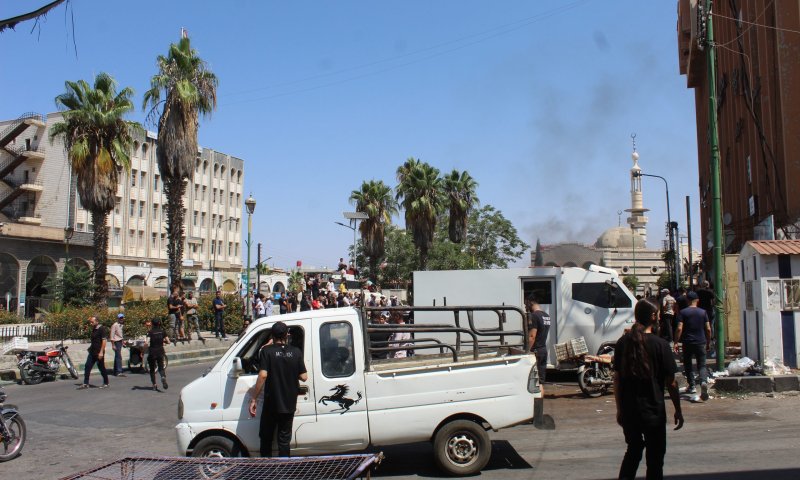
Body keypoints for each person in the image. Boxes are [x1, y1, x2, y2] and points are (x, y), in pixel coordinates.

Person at [614, 299, 683, 480]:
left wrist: (620, 409)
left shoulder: (623, 343)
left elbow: (617, 380)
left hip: (630, 411)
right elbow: (672, 382)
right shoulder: (660, 345)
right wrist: (678, 409)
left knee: (633, 451)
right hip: (653, 411)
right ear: (653, 317)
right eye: (658, 314)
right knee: (655, 461)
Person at [249, 321, 308, 457]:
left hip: (271, 403)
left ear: (272, 335)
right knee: (284, 441)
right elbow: (304, 377)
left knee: (266, 439)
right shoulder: (296, 351)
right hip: (289, 404)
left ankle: (267, 470)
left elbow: (263, 375)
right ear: (287, 335)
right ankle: (284, 471)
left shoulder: (266, 351)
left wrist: (254, 399)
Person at [675, 291, 712, 400]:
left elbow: (679, 328)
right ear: (698, 301)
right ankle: (703, 382)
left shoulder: (683, 312)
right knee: (702, 364)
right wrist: (708, 341)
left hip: (687, 342)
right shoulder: (703, 312)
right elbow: (708, 329)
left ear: (687, 301)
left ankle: (692, 386)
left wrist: (676, 341)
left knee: (688, 364)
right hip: (701, 341)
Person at [78, 316, 109, 389]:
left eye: (92, 322)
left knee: (101, 368)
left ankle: (106, 382)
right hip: (92, 352)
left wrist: (101, 352)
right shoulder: (94, 329)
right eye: (90, 322)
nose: (91, 323)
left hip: (99, 352)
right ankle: (86, 383)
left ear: (97, 321)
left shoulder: (102, 329)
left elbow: (104, 341)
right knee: (87, 366)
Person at [527, 299, 551, 390]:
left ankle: (536, 402)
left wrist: (527, 350)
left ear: (530, 306)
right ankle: (539, 403)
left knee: (533, 380)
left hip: (536, 351)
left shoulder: (534, 316)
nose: (527, 310)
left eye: (527, 307)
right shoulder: (547, 316)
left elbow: (532, 336)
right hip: (543, 350)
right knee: (540, 381)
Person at [145, 318, 170, 391]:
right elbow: (168, 341)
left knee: (152, 369)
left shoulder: (150, 332)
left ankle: (154, 384)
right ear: (159, 323)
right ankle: (163, 377)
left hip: (152, 351)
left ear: (152, 324)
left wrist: (145, 347)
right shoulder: (162, 331)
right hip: (160, 351)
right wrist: (163, 342)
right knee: (161, 367)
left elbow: (147, 342)